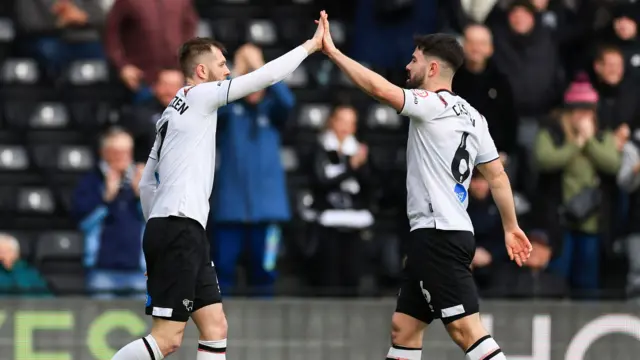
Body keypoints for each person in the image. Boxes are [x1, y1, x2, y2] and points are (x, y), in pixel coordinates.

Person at [110, 11, 327, 360]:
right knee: (166, 340)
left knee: (215, 328)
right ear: (201, 71)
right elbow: (264, 77)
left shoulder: (171, 111)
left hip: (177, 228)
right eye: (223, 64)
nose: (228, 71)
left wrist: (154, 236)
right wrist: (310, 46)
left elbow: (149, 183)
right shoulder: (199, 97)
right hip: (178, 228)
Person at [318, 13, 531, 360]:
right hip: (444, 231)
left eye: (414, 59)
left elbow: (378, 89)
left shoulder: (431, 105)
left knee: (466, 331)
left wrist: (333, 52)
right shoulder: (474, 116)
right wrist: (511, 227)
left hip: (438, 235)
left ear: (432, 69)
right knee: (405, 328)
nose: (407, 65)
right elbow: (497, 177)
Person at [210, 44, 294, 297]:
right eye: (250, 81)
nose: (253, 87)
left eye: (257, 81)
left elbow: (287, 101)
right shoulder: (228, 114)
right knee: (221, 272)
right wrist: (238, 72)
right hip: (229, 211)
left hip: (268, 212)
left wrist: (260, 68)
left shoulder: (273, 111)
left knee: (265, 272)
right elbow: (218, 100)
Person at [72, 128, 146, 298]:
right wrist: (106, 199)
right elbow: (83, 222)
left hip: (139, 270)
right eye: (116, 152)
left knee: (144, 322)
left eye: (126, 152)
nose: (122, 157)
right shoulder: (91, 181)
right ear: (104, 153)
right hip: (102, 270)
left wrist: (142, 195)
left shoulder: (143, 179)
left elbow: (157, 221)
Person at [308, 104, 373, 296]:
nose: (345, 127)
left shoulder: (359, 151)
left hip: (355, 223)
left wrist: (360, 167)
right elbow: (320, 182)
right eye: (341, 121)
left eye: (350, 123)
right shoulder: (320, 148)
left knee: (352, 276)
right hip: (328, 222)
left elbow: (370, 186)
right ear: (332, 122)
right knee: (328, 278)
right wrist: (350, 168)